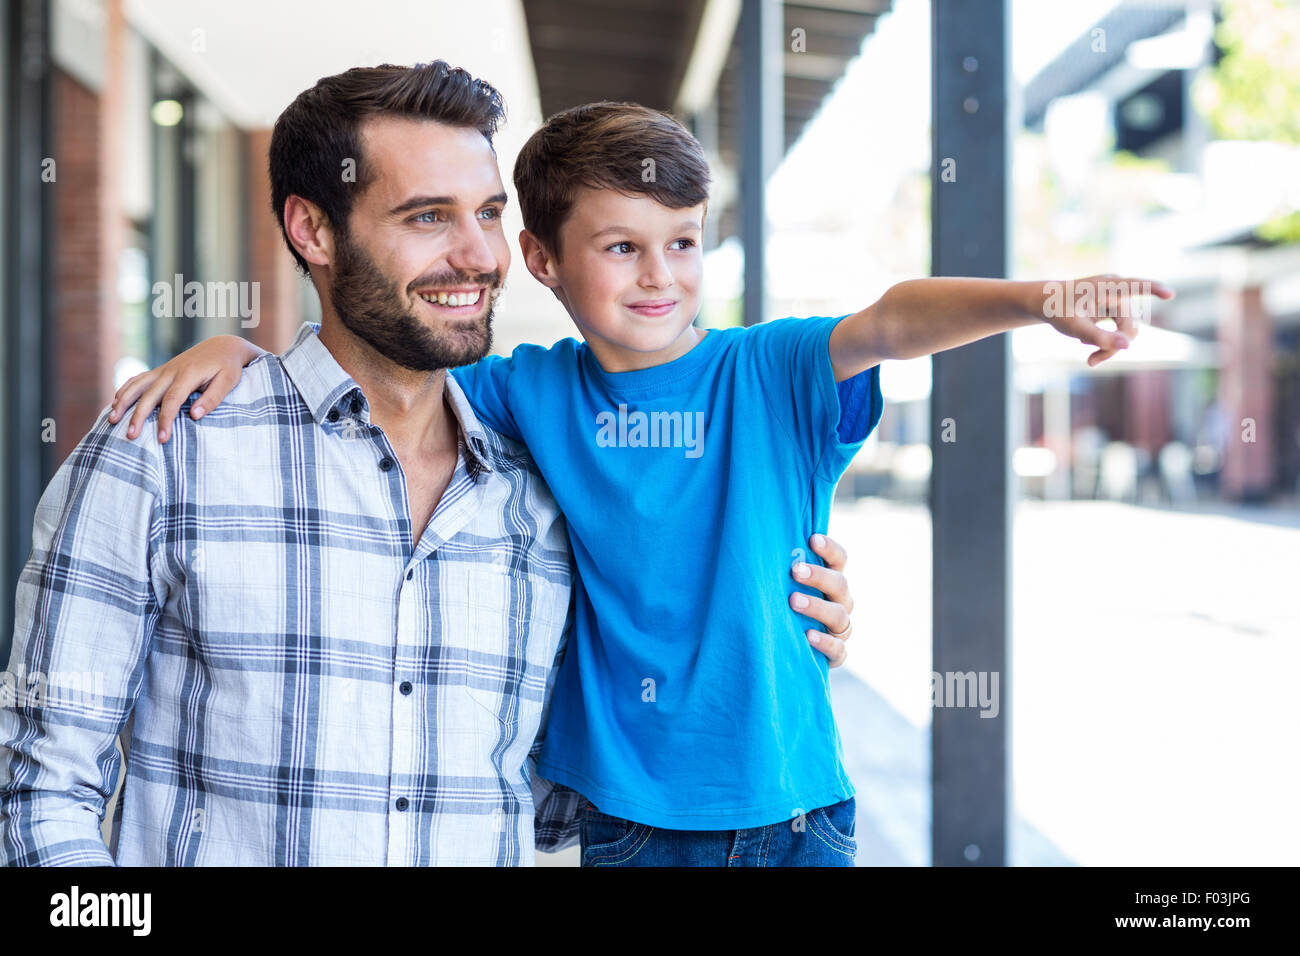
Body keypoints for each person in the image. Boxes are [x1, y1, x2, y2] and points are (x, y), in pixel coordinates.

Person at [107, 96, 1172, 866]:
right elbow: (376, 358)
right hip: (627, 819)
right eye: (620, 246)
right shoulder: (519, 388)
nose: (660, 275)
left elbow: (895, 316)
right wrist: (245, 354)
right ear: (540, 258)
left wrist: (1041, 297)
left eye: (683, 243)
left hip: (798, 806)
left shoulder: (771, 372)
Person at [0, 63, 856, 867]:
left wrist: (770, 624)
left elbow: (558, 793)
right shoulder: (165, 451)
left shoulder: (539, 486)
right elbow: (39, 791)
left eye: (487, 213)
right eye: (426, 217)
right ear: (312, 230)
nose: (478, 256)